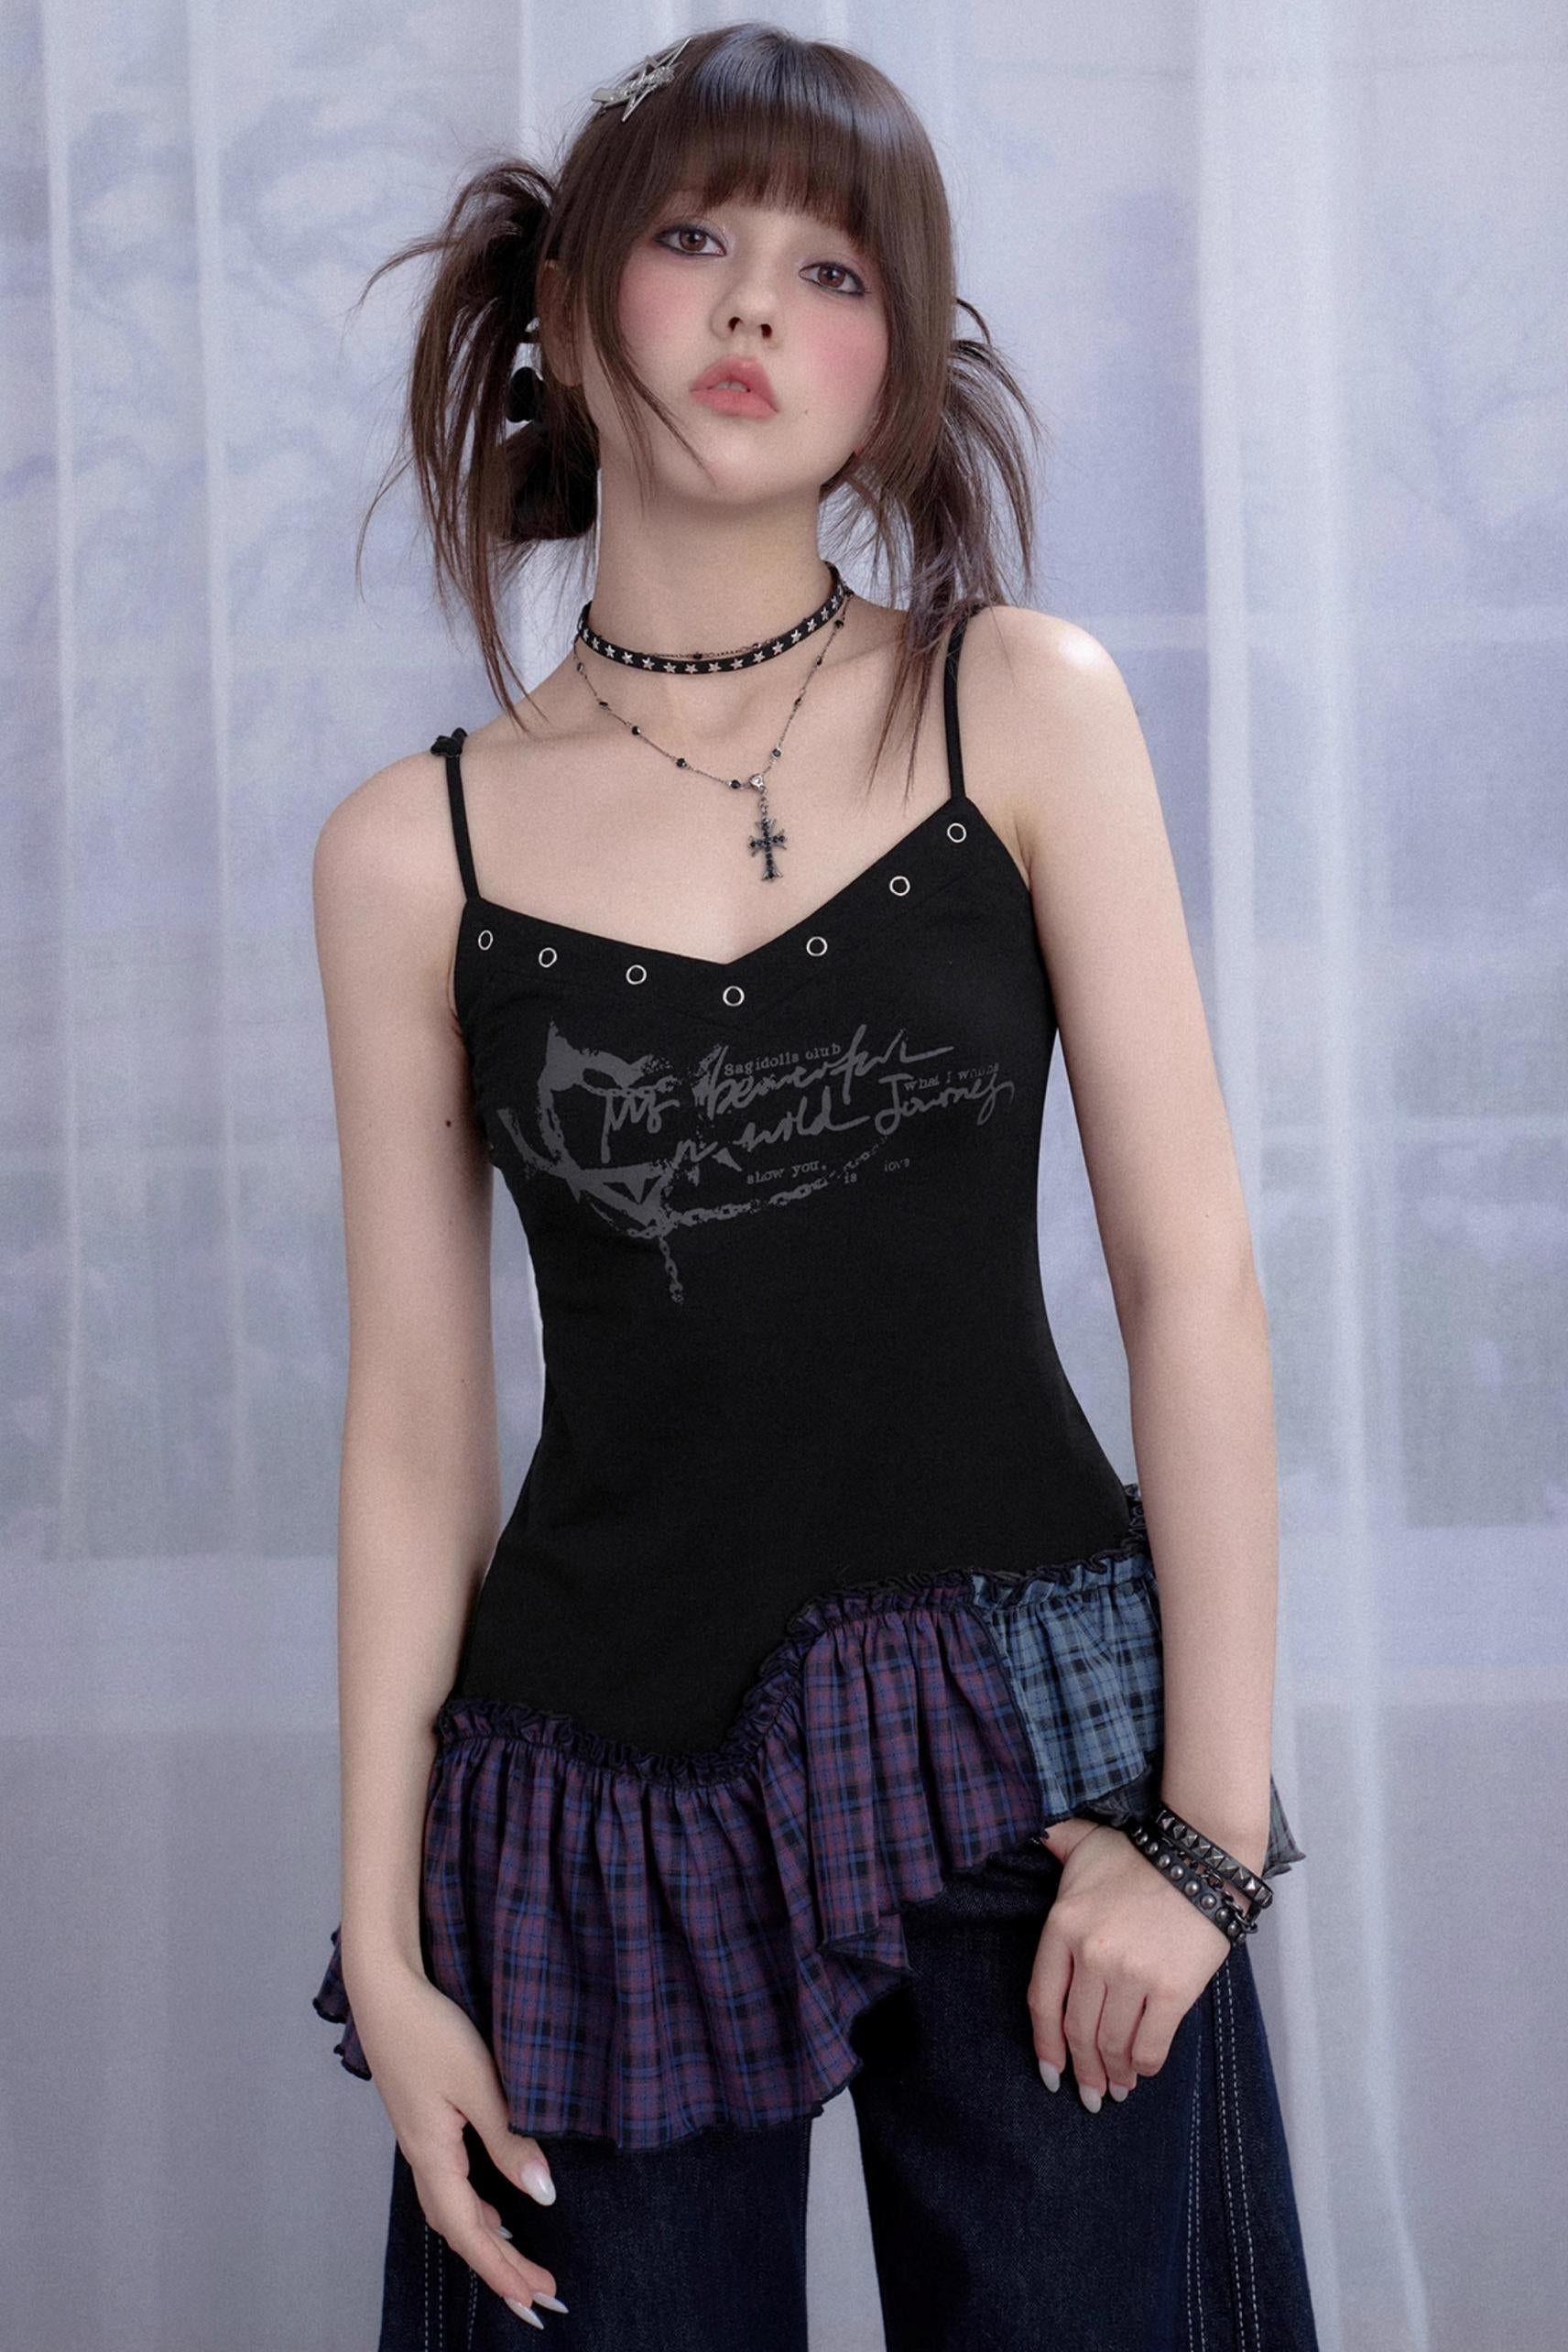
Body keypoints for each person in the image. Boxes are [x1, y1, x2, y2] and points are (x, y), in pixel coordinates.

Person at [309, 24, 1318, 2350]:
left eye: (834, 268)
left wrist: (1205, 1836)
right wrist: (386, 1939)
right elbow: (415, 1426)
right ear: (574, 319)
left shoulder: (1020, 704)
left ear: (897, 372)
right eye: (695, 238)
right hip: (601, 1810)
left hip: (1036, 1754)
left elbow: (1191, 1279)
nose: (758, 302)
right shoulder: (407, 853)